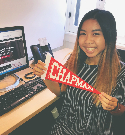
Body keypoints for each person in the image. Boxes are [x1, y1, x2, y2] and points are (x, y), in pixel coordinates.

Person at [33, 9, 125, 135]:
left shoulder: (120, 71)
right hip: (62, 129)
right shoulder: (74, 61)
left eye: (95, 34)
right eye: (83, 33)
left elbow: (121, 111)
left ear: (108, 36)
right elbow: (61, 91)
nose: (87, 40)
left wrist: (115, 107)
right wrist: (45, 75)